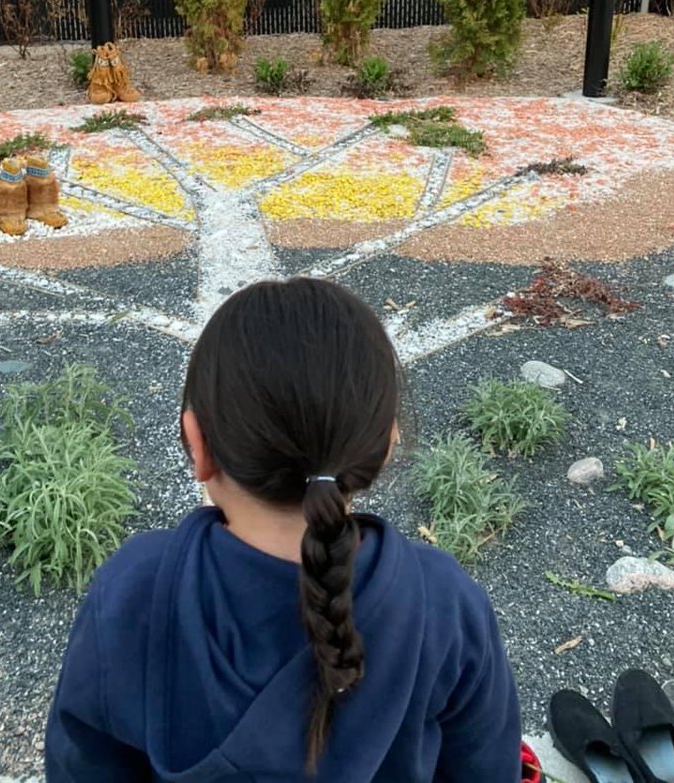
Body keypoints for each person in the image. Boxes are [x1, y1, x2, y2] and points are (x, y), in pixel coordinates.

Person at [45, 277, 521, 782]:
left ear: (197, 443)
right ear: (384, 445)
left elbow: (81, 763)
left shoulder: (133, 587)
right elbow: (487, 769)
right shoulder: (444, 601)